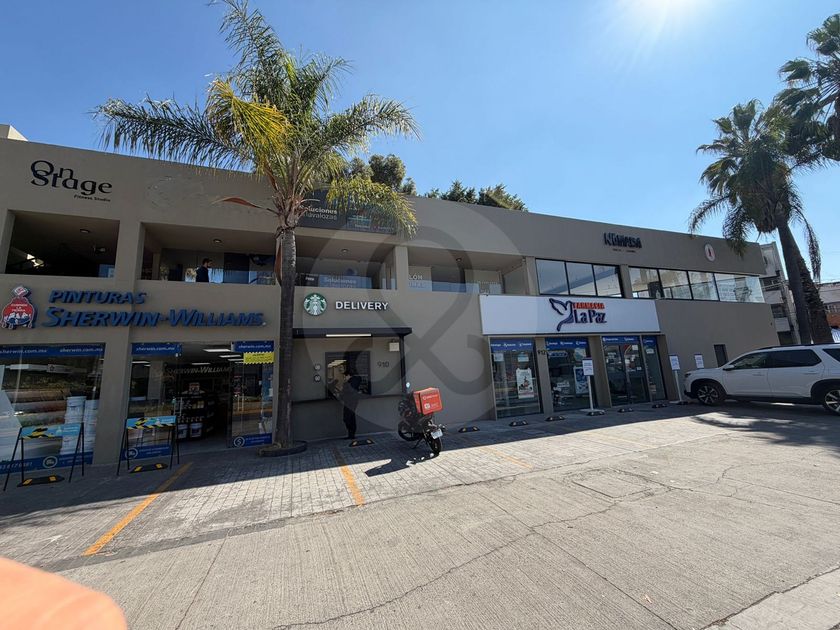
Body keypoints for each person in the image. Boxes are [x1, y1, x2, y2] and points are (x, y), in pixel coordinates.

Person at [340, 367, 362, 440]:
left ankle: (351, 434)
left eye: (345, 376)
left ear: (349, 375)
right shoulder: (354, 381)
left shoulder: (350, 382)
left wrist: (343, 387)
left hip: (350, 402)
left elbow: (349, 391)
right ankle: (351, 434)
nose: (344, 378)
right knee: (351, 417)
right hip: (352, 401)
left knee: (347, 418)